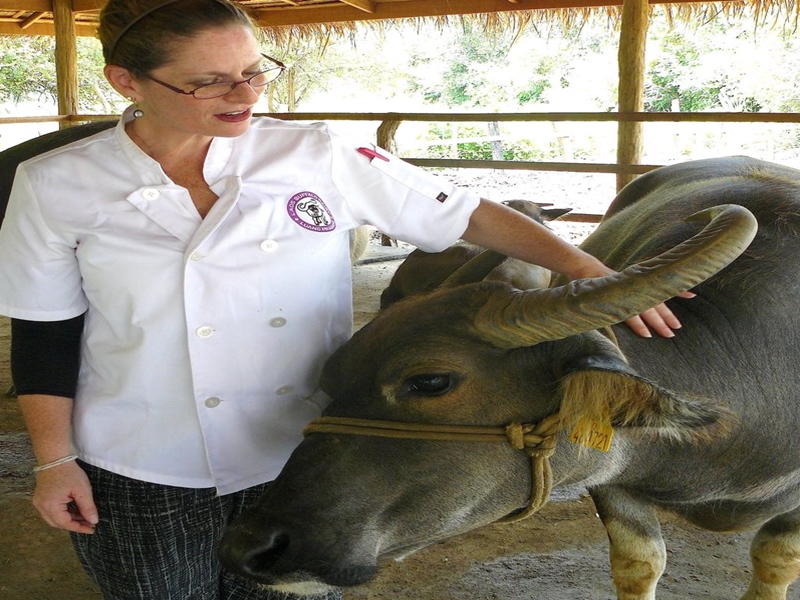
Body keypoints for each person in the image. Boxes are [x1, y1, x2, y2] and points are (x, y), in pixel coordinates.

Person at [0, 0, 686, 598]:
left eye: (255, 71)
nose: (243, 93)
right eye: (208, 81)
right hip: (138, 460)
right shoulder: (56, 183)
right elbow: (44, 333)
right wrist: (55, 461)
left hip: (310, 448)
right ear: (126, 81)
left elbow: (465, 213)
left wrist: (586, 269)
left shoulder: (314, 152)